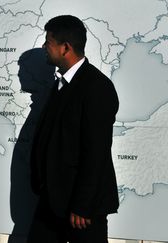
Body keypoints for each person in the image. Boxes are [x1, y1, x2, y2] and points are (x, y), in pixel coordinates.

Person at [27, 15, 119, 243]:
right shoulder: (62, 84)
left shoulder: (97, 87)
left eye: (48, 42)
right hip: (53, 201)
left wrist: (82, 205)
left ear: (65, 47)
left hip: (81, 211)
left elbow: (96, 152)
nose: (44, 47)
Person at [8, 48, 55, 243]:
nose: (19, 74)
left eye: (25, 69)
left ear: (39, 71)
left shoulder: (50, 107)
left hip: (37, 218)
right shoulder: (41, 104)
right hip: (28, 218)